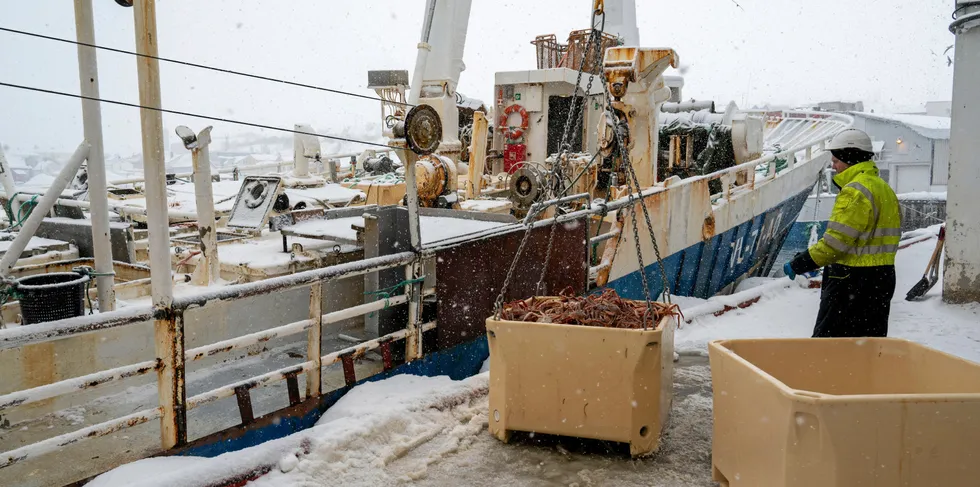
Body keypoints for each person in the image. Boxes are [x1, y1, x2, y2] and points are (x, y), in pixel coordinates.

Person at [783, 128, 901, 338]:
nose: (833, 165)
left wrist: (799, 263)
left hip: (851, 281)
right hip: (882, 279)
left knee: (829, 346)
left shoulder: (855, 191)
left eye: (836, 160)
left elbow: (834, 244)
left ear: (850, 159)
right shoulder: (883, 189)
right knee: (868, 344)